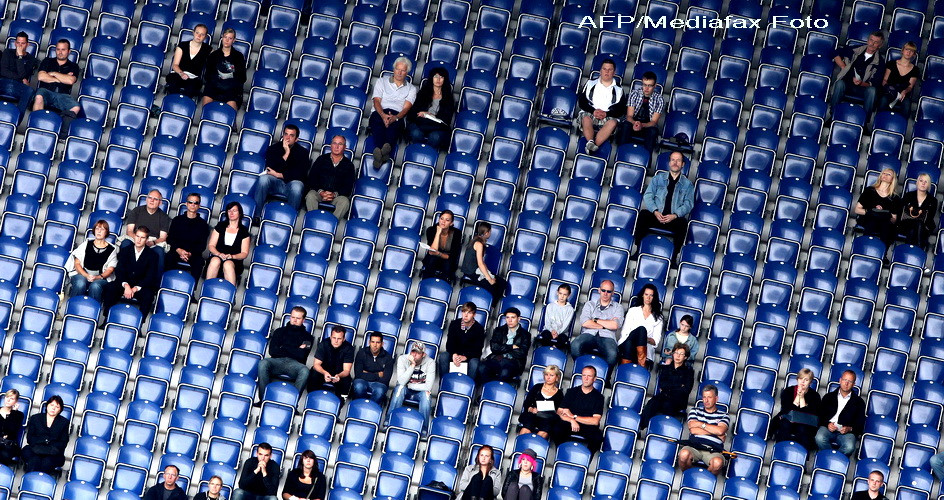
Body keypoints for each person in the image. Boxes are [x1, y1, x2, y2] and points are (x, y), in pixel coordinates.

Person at [635, 151, 694, 261]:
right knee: (643, 215)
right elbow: (648, 195)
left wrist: (675, 215)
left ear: (683, 164)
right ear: (669, 163)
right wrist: (655, 211)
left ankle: (674, 257)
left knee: (683, 223)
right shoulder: (658, 178)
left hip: (672, 220)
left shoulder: (688, 184)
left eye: (678, 160)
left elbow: (688, 204)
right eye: (673, 160)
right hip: (656, 216)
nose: (675, 162)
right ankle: (638, 249)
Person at [255, 307, 313, 405]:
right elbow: (272, 351)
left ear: (303, 320)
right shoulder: (279, 331)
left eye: (298, 318)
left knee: (305, 371)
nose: (294, 320)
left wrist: (283, 348)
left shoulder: (309, 337)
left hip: (295, 364)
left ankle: (292, 404)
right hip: (277, 361)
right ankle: (263, 400)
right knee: (263, 363)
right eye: (293, 317)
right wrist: (297, 349)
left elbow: (302, 355)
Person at [102, 226, 160, 317]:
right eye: (137, 236)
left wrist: (135, 288)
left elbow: (150, 276)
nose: (139, 240)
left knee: (148, 296)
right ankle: (106, 318)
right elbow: (119, 270)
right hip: (125, 283)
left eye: (142, 237)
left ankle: (140, 322)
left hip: (141, 286)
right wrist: (126, 285)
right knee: (110, 288)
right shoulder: (125, 250)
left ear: (147, 239)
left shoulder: (153, 255)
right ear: (134, 236)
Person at [828, 31, 885, 122]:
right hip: (847, 84)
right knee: (839, 83)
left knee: (872, 91)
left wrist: (861, 83)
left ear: (880, 45)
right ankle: (832, 115)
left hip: (863, 88)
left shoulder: (880, 62)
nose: (872, 44)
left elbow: (875, 83)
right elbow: (834, 52)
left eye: (876, 42)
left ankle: (865, 122)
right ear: (868, 40)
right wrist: (843, 66)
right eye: (871, 40)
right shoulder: (854, 50)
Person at [369, 57, 416, 167]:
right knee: (378, 123)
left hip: (397, 114)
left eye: (403, 70)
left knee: (394, 127)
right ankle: (385, 152)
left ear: (407, 72)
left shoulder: (411, 88)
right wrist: (383, 115)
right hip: (379, 112)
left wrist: (395, 117)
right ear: (393, 69)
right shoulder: (381, 81)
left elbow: (406, 109)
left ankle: (378, 152)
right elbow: (376, 101)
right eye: (397, 69)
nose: (399, 73)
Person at [256, 124, 310, 215]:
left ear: (296, 139)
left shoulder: (303, 152)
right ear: (283, 135)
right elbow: (271, 168)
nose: (287, 138)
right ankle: (256, 215)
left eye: (291, 135)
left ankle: (291, 217)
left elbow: (301, 174)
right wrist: (286, 153)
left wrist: (279, 174)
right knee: (263, 179)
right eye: (286, 134)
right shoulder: (273, 148)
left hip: (291, 184)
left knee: (297, 186)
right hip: (275, 183)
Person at [570, 280, 625, 368]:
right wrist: (606, 325)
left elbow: (615, 325)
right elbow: (584, 322)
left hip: (607, 337)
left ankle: (605, 376)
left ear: (613, 293)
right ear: (599, 290)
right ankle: (581, 370)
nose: (605, 293)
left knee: (613, 354)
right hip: (589, 334)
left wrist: (595, 320)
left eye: (609, 291)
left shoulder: (618, 307)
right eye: (603, 290)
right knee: (575, 345)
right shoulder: (589, 304)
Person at [639, 343, 695, 430]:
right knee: (652, 402)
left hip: (678, 400)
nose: (678, 356)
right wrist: (679, 385)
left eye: (681, 354)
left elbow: (686, 390)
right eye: (676, 353)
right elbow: (662, 385)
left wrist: (670, 386)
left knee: (668, 405)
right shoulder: (666, 368)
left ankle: (661, 431)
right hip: (664, 396)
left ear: (685, 357)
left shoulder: (689, 372)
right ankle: (640, 427)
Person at [677, 385, 731, 475]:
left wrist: (700, 424)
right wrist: (715, 433)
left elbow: (720, 431)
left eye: (709, 397)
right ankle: (689, 476)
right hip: (694, 446)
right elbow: (693, 430)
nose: (706, 400)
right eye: (704, 397)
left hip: (713, 450)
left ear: (716, 399)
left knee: (717, 463)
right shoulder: (695, 411)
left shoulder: (724, 415)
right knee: (683, 454)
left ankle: (704, 480)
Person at [578, 58, 626, 154]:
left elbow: (620, 110)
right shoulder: (590, 83)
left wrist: (606, 114)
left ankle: (593, 146)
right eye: (604, 69)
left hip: (607, 116)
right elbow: (582, 102)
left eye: (610, 69)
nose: (606, 72)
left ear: (614, 72)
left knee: (613, 123)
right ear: (600, 70)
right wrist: (593, 111)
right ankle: (591, 142)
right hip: (590, 113)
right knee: (586, 118)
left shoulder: (619, 89)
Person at [815, 369, 866, 457]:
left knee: (849, 447)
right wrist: (827, 424)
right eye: (845, 380)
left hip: (846, 433)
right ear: (840, 380)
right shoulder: (828, 397)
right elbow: (820, 415)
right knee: (819, 438)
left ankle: (834, 459)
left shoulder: (859, 402)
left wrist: (849, 429)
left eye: (850, 381)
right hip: (828, 428)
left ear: (854, 384)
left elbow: (860, 424)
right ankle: (830, 458)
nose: (846, 383)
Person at [66, 219, 118, 303]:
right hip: (82, 274)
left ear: (106, 232)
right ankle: (73, 306)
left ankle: (93, 309)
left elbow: (110, 269)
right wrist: (86, 275)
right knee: (80, 283)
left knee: (95, 286)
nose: (99, 231)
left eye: (102, 229)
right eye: (97, 228)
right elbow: (77, 263)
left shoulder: (112, 249)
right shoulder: (86, 243)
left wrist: (98, 277)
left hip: (100, 277)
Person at [555, 366, 605, 453]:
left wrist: (574, 416)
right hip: (569, 423)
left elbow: (595, 421)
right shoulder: (571, 392)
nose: (586, 378)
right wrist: (571, 420)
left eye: (589, 376)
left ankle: (587, 458)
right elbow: (559, 412)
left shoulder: (599, 397)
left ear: (594, 378)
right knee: (556, 429)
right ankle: (561, 453)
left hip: (587, 427)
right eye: (584, 375)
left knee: (598, 437)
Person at [770, 368, 821, 452]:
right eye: (801, 379)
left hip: (805, 423)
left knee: (803, 429)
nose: (802, 382)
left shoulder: (815, 396)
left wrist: (802, 398)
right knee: (785, 425)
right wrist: (798, 397)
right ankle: (779, 451)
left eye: (806, 380)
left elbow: (810, 414)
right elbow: (787, 410)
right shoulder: (788, 391)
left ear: (810, 382)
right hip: (788, 419)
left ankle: (802, 454)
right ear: (797, 379)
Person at [304, 135, 356, 219]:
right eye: (334, 143)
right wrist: (321, 192)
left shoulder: (349, 165)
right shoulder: (321, 159)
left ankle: (332, 223)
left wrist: (334, 194)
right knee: (310, 196)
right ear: (330, 145)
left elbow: (348, 187)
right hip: (319, 193)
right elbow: (312, 178)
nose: (336, 146)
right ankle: (313, 220)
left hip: (336, 197)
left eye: (340, 144)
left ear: (345, 147)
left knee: (345, 202)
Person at [388, 341, 436, 432]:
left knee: (426, 396)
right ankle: (388, 420)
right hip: (405, 388)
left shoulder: (430, 362)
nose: (414, 355)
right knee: (399, 389)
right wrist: (412, 365)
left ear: (423, 354)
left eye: (418, 353)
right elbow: (401, 382)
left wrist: (409, 385)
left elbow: (428, 386)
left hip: (420, 391)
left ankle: (423, 428)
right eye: (413, 351)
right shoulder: (402, 359)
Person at [122, 189, 172, 273]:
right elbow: (129, 231)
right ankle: (121, 276)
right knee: (125, 243)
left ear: (160, 202)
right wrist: (139, 239)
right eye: (150, 198)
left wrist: (152, 242)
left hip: (153, 241)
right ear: (146, 199)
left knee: (159, 252)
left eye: (155, 199)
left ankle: (156, 280)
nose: (152, 200)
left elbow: (162, 237)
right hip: (136, 237)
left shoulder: (164, 217)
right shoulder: (136, 211)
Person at [165, 192, 211, 282]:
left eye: (196, 203)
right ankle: (166, 284)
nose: (193, 205)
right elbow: (170, 238)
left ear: (199, 206)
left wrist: (189, 253)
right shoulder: (177, 220)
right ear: (186, 204)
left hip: (193, 254)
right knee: (168, 258)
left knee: (198, 263)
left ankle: (193, 288)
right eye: (190, 202)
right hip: (176, 251)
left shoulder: (203, 224)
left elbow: (202, 245)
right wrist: (179, 250)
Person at [406, 66, 455, 150]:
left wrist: (431, 115)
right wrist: (421, 113)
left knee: (435, 137)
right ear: (432, 78)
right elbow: (412, 112)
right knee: (416, 133)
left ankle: (427, 155)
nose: (438, 79)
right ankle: (418, 153)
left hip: (437, 126)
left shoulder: (448, 97)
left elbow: (447, 118)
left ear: (445, 79)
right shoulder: (422, 93)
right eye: (435, 76)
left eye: (441, 77)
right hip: (420, 122)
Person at [479, 308, 531, 384]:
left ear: (518, 319)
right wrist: (511, 347)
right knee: (482, 367)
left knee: (505, 372)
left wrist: (502, 348)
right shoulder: (499, 330)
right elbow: (494, 348)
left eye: (513, 317)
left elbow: (522, 353)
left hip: (514, 362)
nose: (510, 320)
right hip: (497, 358)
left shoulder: (525, 335)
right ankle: (487, 388)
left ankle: (497, 389)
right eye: (507, 317)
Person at [617, 284, 664, 368]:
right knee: (640, 331)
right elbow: (625, 332)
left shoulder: (658, 317)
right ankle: (641, 364)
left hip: (645, 347)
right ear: (642, 295)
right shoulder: (633, 311)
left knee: (641, 332)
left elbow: (655, 341)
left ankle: (626, 369)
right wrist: (638, 336)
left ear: (654, 297)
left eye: (651, 295)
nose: (648, 297)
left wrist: (642, 338)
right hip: (627, 342)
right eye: (646, 294)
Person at [459, 221, 506, 305]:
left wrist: (489, 274)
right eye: (490, 231)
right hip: (471, 272)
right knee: (493, 286)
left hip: (475, 269)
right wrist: (489, 279)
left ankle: (492, 306)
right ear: (487, 233)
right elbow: (480, 263)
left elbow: (482, 263)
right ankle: (490, 306)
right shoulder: (479, 244)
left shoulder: (476, 240)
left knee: (502, 283)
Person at [32, 39, 81, 119]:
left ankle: (61, 124)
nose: (60, 52)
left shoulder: (73, 66)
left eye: (63, 50)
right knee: (39, 96)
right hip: (46, 91)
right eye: (58, 49)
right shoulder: (47, 61)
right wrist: (62, 78)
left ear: (69, 51)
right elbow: (41, 77)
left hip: (63, 95)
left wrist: (53, 73)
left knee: (76, 107)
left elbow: (70, 80)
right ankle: (37, 121)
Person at [855, 168, 900, 252]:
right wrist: (871, 211)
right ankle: (863, 249)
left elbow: (894, 219)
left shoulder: (895, 197)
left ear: (892, 179)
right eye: (884, 173)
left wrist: (883, 214)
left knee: (886, 223)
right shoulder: (869, 190)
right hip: (869, 218)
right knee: (873, 219)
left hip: (884, 223)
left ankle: (882, 252)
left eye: (889, 174)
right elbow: (857, 210)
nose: (885, 175)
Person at [206, 201, 251, 285]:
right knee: (215, 260)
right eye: (229, 211)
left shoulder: (244, 231)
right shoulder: (220, 226)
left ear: (240, 213)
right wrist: (219, 254)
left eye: (234, 211)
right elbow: (211, 245)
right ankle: (208, 287)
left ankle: (231, 290)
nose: (231, 213)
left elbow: (244, 253)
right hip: (218, 256)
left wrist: (232, 256)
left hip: (234, 261)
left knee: (228, 264)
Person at [437, 302, 486, 379]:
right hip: (455, 354)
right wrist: (454, 354)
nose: (465, 315)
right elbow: (449, 344)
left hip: (469, 356)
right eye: (464, 312)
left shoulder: (479, 329)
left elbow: (478, 350)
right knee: (443, 356)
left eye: (469, 313)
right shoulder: (454, 324)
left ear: (474, 315)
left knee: (474, 363)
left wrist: (466, 356)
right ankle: (444, 382)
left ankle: (469, 385)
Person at [21, 395, 69, 474]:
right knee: (34, 460)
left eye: (57, 407)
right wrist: (45, 442)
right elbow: (30, 438)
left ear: (60, 410)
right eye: (51, 405)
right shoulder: (35, 418)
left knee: (47, 462)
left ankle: (42, 481)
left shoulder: (64, 422)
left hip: (53, 453)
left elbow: (63, 442)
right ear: (47, 406)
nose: (53, 408)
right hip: (35, 449)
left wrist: (47, 445)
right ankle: (29, 480)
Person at [201, 28, 246, 110]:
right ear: (222, 37)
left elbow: (242, 78)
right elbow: (207, 76)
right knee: (206, 105)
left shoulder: (238, 56)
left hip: (231, 87)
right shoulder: (214, 55)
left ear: (234, 40)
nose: (227, 40)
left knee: (231, 108)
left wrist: (228, 82)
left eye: (230, 38)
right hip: (215, 85)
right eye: (225, 37)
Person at [307, 325, 355, 398]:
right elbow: (316, 364)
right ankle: (311, 397)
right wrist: (324, 373)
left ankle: (341, 402)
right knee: (314, 372)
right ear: (330, 337)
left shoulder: (349, 348)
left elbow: (346, 371)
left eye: (339, 338)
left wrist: (339, 376)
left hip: (339, 374)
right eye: (334, 338)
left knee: (346, 380)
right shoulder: (323, 344)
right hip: (323, 371)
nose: (336, 341)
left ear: (344, 339)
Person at [621, 71, 663, 152]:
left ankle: (647, 157)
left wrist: (642, 125)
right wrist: (635, 123)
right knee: (625, 125)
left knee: (653, 131)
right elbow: (629, 116)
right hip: (633, 123)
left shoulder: (659, 99)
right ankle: (621, 152)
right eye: (644, 85)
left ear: (655, 86)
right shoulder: (634, 94)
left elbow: (654, 122)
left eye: (650, 85)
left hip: (647, 125)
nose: (646, 88)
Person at [166, 23, 212, 98]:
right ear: (193, 33)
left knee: (191, 88)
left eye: (202, 34)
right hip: (179, 74)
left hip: (193, 78)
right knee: (173, 84)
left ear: (205, 37)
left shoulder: (207, 49)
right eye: (197, 33)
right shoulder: (182, 45)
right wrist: (182, 73)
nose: (199, 36)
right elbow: (175, 65)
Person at [518, 365, 563, 439]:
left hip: (547, 418)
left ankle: (536, 444)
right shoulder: (537, 387)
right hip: (533, 414)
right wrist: (531, 409)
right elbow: (526, 403)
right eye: (546, 375)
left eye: (551, 375)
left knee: (546, 427)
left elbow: (559, 410)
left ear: (557, 377)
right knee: (528, 425)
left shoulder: (559, 394)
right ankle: (521, 443)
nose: (548, 377)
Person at [0, 32, 37, 121]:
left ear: (27, 44)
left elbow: (23, 74)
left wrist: (20, 57)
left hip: (18, 86)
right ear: (15, 43)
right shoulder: (7, 52)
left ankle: (16, 121)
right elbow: (3, 71)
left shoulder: (31, 59)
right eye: (18, 43)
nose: (20, 46)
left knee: (29, 90)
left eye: (23, 43)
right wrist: (20, 78)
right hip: (4, 82)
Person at [351, 332, 394, 404]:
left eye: (378, 342)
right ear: (369, 342)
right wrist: (378, 375)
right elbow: (358, 374)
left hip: (379, 384)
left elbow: (386, 379)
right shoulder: (361, 353)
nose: (375, 345)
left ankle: (370, 408)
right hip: (362, 381)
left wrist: (366, 373)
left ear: (382, 344)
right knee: (359, 386)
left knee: (380, 391)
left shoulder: (388, 357)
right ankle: (360, 405)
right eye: (373, 342)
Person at [877, 41, 920, 114]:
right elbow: (884, 80)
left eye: (911, 51)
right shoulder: (891, 63)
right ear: (902, 50)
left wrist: (905, 91)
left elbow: (910, 86)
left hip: (903, 95)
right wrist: (890, 89)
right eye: (907, 49)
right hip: (889, 91)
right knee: (883, 100)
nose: (908, 52)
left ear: (914, 54)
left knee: (907, 104)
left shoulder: (915, 69)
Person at [897, 173, 937, 250]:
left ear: (928, 185)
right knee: (915, 226)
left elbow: (930, 217)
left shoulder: (933, 200)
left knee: (916, 226)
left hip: (923, 226)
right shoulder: (908, 195)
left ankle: (908, 249)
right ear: (917, 182)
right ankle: (919, 249)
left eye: (926, 182)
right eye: (921, 181)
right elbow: (901, 211)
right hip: (906, 224)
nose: (923, 183)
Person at [421, 210, 462, 282]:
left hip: (448, 258)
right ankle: (426, 282)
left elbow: (452, 255)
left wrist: (438, 254)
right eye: (441, 219)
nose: (443, 222)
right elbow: (432, 251)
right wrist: (438, 233)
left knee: (447, 265)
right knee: (431, 260)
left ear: (451, 223)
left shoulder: (457, 233)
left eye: (447, 220)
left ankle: (444, 284)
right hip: (433, 257)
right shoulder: (431, 230)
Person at [534, 284, 575, 352]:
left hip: (562, 332)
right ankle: (548, 349)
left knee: (563, 338)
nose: (562, 296)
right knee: (545, 335)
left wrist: (557, 332)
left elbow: (566, 325)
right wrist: (551, 330)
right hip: (549, 330)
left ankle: (553, 349)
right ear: (557, 293)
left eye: (565, 294)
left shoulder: (570, 309)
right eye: (560, 293)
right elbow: (547, 321)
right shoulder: (550, 306)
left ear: (569, 295)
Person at [0, 389, 24, 467]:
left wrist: (13, 413)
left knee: (4, 455)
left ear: (16, 401)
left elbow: (11, 430)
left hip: (9, 445)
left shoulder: (18, 415)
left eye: (12, 398)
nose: (8, 400)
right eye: (7, 397)